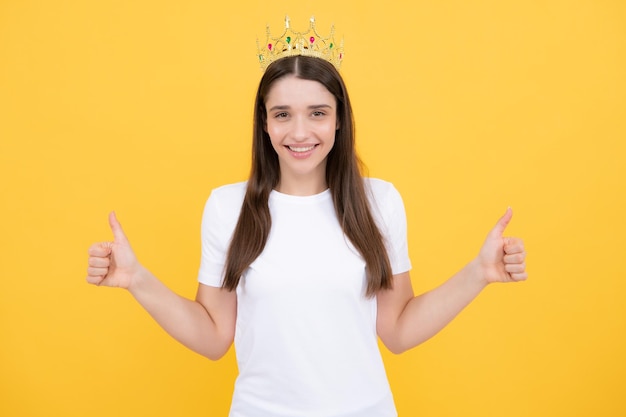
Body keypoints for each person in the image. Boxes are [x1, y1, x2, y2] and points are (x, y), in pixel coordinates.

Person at [85, 17, 527, 417]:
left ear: (339, 121)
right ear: (264, 123)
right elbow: (214, 336)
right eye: (282, 115)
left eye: (318, 113)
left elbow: (397, 329)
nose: (299, 132)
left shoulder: (379, 203)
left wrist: (479, 273)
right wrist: (136, 279)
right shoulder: (227, 207)